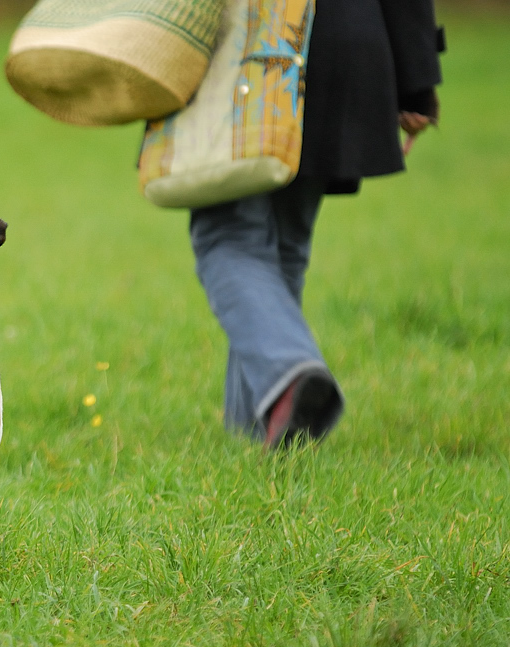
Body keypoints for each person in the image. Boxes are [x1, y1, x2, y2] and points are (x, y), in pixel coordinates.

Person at [188, 0, 444, 449]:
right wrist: (417, 81)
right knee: (283, 247)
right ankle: (259, 433)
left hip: (249, 45)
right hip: (343, 44)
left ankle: (290, 371)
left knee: (226, 235)